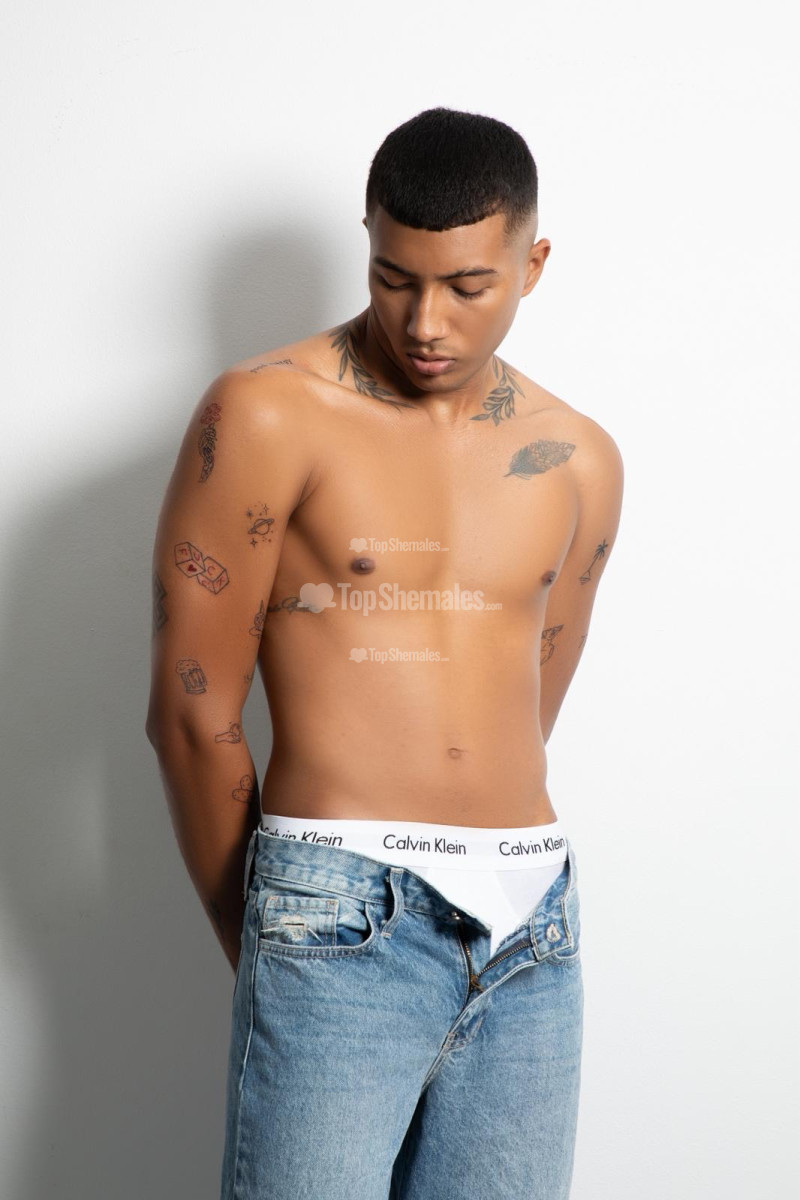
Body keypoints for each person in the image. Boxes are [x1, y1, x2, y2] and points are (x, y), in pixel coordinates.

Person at [146, 105, 624, 1200]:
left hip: (531, 920)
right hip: (336, 900)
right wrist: (280, 938)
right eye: (393, 278)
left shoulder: (578, 460)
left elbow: (530, 701)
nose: (424, 322)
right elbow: (189, 713)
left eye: (466, 287)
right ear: (366, 241)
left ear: (531, 265)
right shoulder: (269, 414)